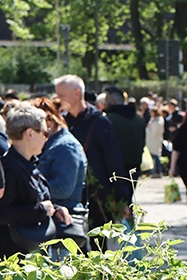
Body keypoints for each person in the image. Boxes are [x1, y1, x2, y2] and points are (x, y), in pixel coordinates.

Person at [54, 74, 131, 231]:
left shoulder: (100, 122)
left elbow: (113, 161)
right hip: (69, 199)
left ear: (77, 93)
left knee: (98, 247)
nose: (57, 99)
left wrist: (123, 199)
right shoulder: (60, 122)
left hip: (98, 198)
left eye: (61, 95)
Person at [0, 105, 73, 257]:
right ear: (30, 134)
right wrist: (41, 210)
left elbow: (34, 199)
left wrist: (55, 209)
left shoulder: (28, 163)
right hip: (13, 262)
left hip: (30, 255)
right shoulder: (9, 170)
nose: (48, 137)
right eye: (45, 133)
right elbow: (3, 213)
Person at [32, 97, 87, 212]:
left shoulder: (66, 147)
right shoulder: (51, 145)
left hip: (66, 219)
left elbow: (63, 188)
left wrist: (29, 187)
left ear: (49, 123)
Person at [104, 86, 145, 180]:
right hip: (134, 168)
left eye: (106, 99)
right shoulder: (139, 120)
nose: (104, 103)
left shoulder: (107, 120)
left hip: (113, 171)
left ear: (113, 100)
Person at [145, 106, 165, 177]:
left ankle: (158, 171)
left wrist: (148, 128)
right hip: (151, 141)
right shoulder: (153, 119)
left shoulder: (159, 120)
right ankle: (153, 172)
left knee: (156, 156)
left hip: (155, 140)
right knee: (152, 157)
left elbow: (154, 131)